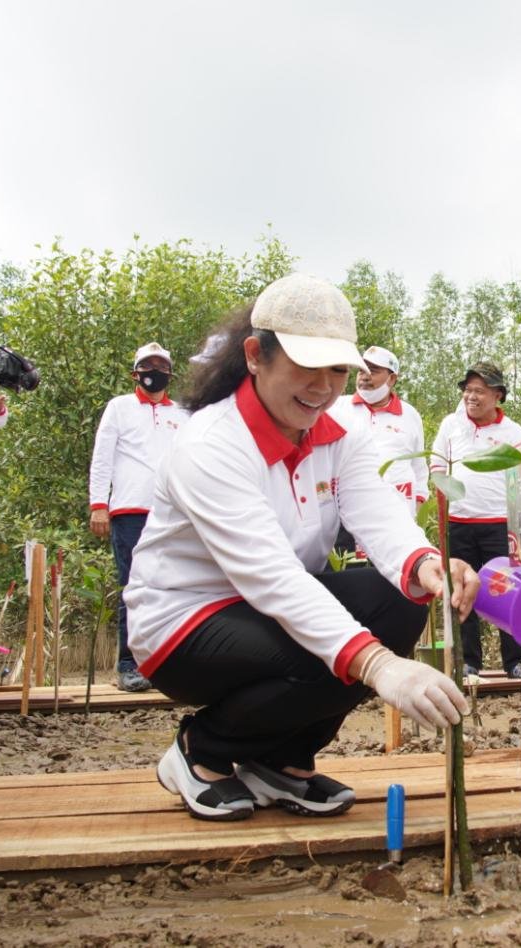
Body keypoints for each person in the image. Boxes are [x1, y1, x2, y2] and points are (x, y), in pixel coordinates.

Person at [123, 273, 473, 821]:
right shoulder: (210, 446)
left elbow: (379, 514)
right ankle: (202, 753)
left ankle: (281, 760)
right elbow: (271, 577)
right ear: (255, 356)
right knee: (331, 651)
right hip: (185, 623)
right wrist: (380, 665)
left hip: (272, 610)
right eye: (306, 366)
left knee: (401, 598)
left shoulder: (339, 433)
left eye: (337, 370)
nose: (323, 386)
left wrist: (426, 563)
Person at [88, 342, 190, 693]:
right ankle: (128, 664)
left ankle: (167, 664)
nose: (153, 372)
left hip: (171, 512)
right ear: (135, 373)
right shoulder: (120, 407)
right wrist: (98, 503)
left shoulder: (182, 413)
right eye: (147, 366)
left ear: (169, 375)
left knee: (173, 586)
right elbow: (103, 457)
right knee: (133, 587)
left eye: (160, 366)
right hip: (130, 509)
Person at [430, 362, 521, 679]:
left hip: (500, 524)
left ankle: (514, 662)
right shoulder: (451, 424)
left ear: (497, 395)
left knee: (507, 591)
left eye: (479, 391)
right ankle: (469, 663)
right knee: (462, 591)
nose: (470, 396)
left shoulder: (512, 432)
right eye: (467, 390)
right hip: (459, 523)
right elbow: (436, 466)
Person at [328, 345, 429, 554]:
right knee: (350, 576)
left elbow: (419, 467)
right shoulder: (336, 407)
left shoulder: (410, 415)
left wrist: (418, 508)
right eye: (361, 370)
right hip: (344, 516)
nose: (364, 377)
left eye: (373, 371)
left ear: (392, 379)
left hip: (397, 516)